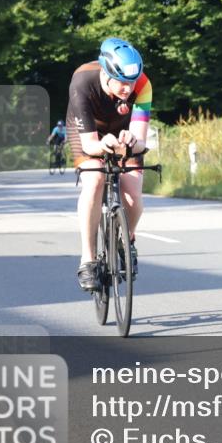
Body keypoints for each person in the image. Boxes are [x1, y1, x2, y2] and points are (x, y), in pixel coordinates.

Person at [67, 38, 152, 291]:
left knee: (133, 195)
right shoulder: (82, 82)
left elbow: (140, 141)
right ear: (106, 73)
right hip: (88, 132)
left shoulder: (143, 85)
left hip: (122, 133)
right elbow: (91, 145)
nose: (129, 88)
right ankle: (88, 259)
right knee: (94, 180)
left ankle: (125, 241)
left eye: (132, 81)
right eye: (123, 82)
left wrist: (131, 140)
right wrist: (106, 144)